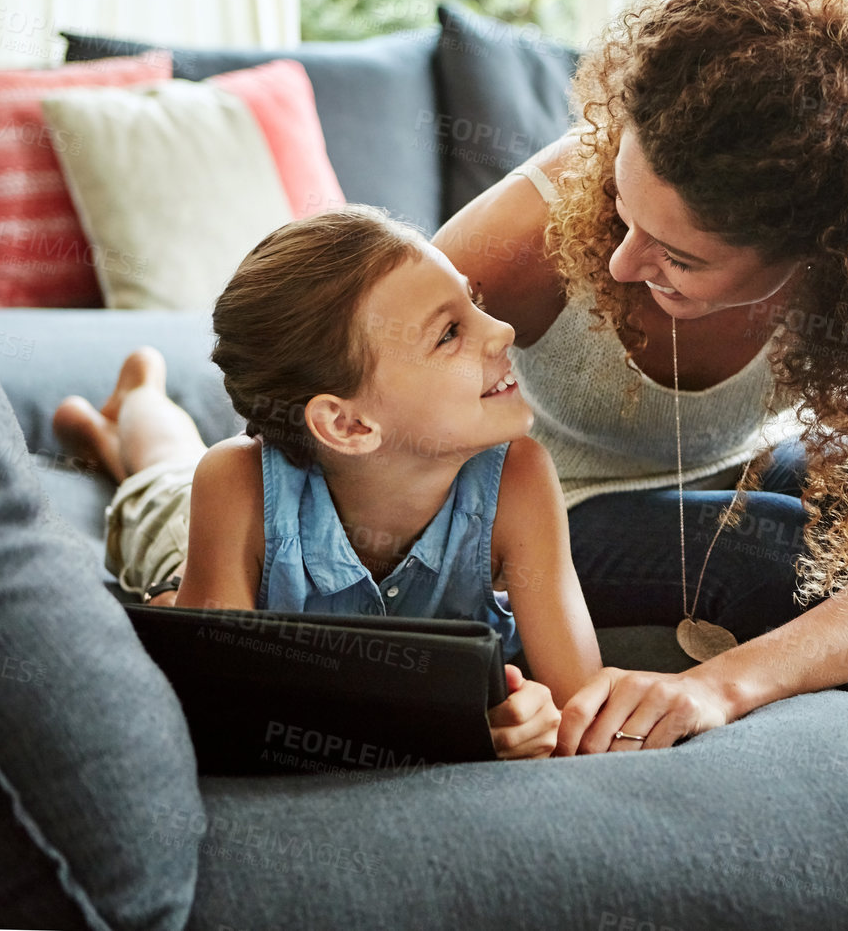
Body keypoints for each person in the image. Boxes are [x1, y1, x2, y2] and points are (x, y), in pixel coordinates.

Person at [433, 0, 848, 756]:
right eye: (623, 211)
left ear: (817, 251)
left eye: (679, 255)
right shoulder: (545, 219)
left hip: (718, 472)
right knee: (779, 556)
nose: (622, 264)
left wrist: (718, 687)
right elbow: (350, 387)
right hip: (527, 509)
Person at [53, 206, 603, 760]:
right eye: (449, 333)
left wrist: (535, 717)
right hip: (187, 545)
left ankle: (106, 433)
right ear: (348, 424)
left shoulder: (522, 477)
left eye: (474, 302)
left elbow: (576, 700)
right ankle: (137, 401)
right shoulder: (233, 483)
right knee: (166, 471)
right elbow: (221, 712)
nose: (503, 329)